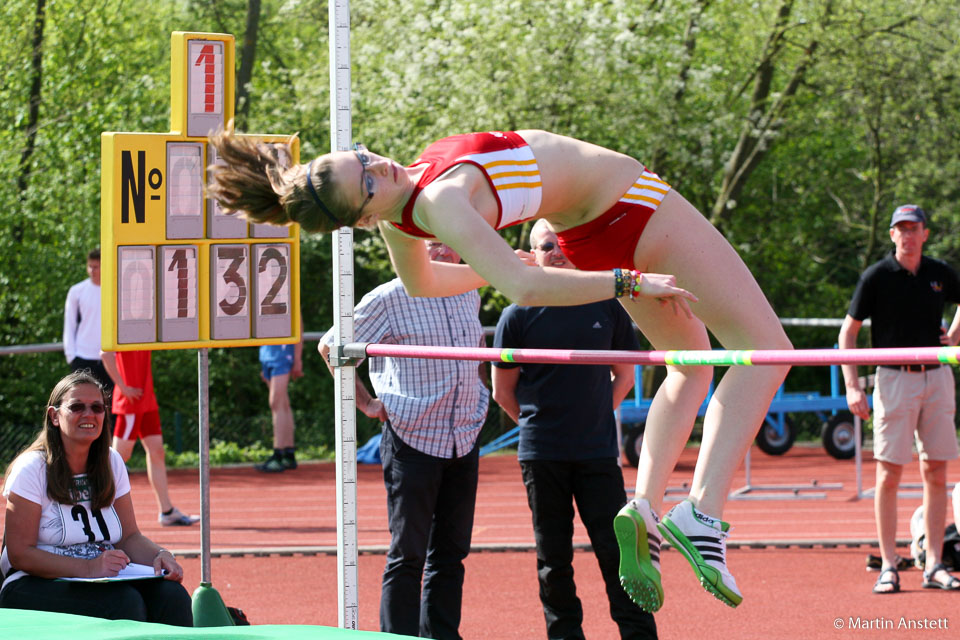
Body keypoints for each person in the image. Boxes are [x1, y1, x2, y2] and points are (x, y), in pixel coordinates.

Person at [210, 127, 794, 611]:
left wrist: (493, 264)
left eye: (362, 155)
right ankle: (702, 515)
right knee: (768, 350)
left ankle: (643, 505)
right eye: (366, 181)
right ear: (363, 218)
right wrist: (625, 282)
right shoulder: (436, 202)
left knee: (689, 367)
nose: (378, 165)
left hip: (589, 232)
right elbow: (525, 287)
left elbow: (424, 282)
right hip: (631, 205)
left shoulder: (405, 211)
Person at [491, 220, 656, 639]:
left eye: (562, 243)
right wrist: (536, 425)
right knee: (553, 559)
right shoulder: (516, 314)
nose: (557, 251)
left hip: (596, 452)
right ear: (533, 253)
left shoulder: (607, 306)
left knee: (618, 552)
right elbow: (502, 392)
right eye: (547, 245)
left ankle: (638, 634)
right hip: (542, 455)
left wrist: (597, 412)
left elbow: (626, 375)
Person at [319, 241, 489, 639]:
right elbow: (331, 346)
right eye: (432, 243)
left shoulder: (469, 289)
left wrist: (478, 395)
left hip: (463, 437)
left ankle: (441, 634)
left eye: (449, 240)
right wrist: (364, 403)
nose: (443, 250)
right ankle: (399, 637)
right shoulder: (389, 297)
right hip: (414, 441)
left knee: (451, 554)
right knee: (408, 555)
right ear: (411, 249)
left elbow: (476, 350)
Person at [0, 371, 192, 625]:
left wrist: (160, 555)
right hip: (30, 583)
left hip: (101, 578)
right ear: (54, 416)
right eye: (77, 406)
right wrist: (89, 568)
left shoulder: (111, 461)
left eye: (97, 407)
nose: (89, 414)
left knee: (172, 596)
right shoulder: (32, 468)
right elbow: (20, 554)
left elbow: (128, 537)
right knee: (123, 603)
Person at [839, 203, 960, 594]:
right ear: (893, 234)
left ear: (925, 233)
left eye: (914, 228)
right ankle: (889, 564)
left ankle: (935, 563)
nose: (908, 235)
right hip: (893, 380)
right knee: (888, 473)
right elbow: (847, 335)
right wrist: (853, 386)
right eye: (901, 229)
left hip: (937, 376)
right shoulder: (876, 277)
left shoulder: (939, 273)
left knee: (936, 472)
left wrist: (955, 336)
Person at [101, 350, 199, 527]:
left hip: (146, 399)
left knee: (157, 452)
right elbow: (105, 354)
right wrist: (123, 387)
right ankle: (97, 509)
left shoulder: (148, 323)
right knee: (117, 459)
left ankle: (167, 511)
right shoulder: (120, 324)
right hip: (130, 400)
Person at [63, 248, 112, 394]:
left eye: (96, 266)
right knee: (84, 404)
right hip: (82, 358)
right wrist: (71, 356)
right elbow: (69, 324)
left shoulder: (114, 289)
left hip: (110, 359)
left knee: (109, 408)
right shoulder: (77, 291)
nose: (92, 270)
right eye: (89, 266)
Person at [255, 331, 304, 473]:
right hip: (267, 355)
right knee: (283, 404)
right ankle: (288, 453)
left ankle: (278, 454)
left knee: (276, 403)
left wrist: (298, 359)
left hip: (282, 356)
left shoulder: (291, 308)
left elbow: (298, 327)